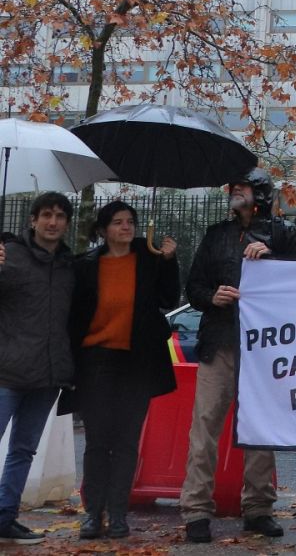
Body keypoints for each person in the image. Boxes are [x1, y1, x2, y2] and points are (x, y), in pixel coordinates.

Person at [181, 169, 296, 544]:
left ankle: (258, 508)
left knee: (260, 431)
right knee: (204, 428)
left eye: (244, 186)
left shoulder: (286, 235)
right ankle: (196, 511)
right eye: (232, 187)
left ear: (262, 194)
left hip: (266, 348)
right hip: (219, 342)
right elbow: (194, 286)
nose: (235, 190)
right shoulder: (216, 234)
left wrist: (271, 260)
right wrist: (210, 297)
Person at [65, 202, 179, 540]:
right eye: (117, 222)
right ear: (103, 230)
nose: (126, 227)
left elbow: (169, 299)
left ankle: (118, 514)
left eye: (130, 221)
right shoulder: (85, 265)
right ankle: (92, 514)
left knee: (127, 443)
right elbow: (73, 316)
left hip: (137, 363)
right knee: (98, 442)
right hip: (96, 362)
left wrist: (169, 261)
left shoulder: (149, 257)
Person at [0, 192, 76, 546]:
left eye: (60, 216)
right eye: (46, 214)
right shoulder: (9, 256)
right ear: (33, 220)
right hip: (7, 370)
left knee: (23, 450)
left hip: (47, 375)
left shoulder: (69, 266)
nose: (53, 222)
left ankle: (5, 516)